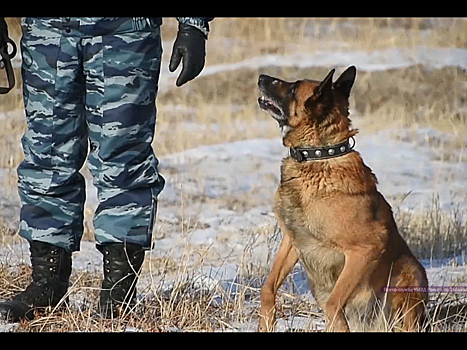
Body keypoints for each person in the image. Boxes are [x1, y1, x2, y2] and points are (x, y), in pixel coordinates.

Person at [0, 16, 213, 321]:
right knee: (46, 157)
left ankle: (118, 295)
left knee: (123, 162)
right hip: (47, 32)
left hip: (124, 32)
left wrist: (193, 25)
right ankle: (45, 288)